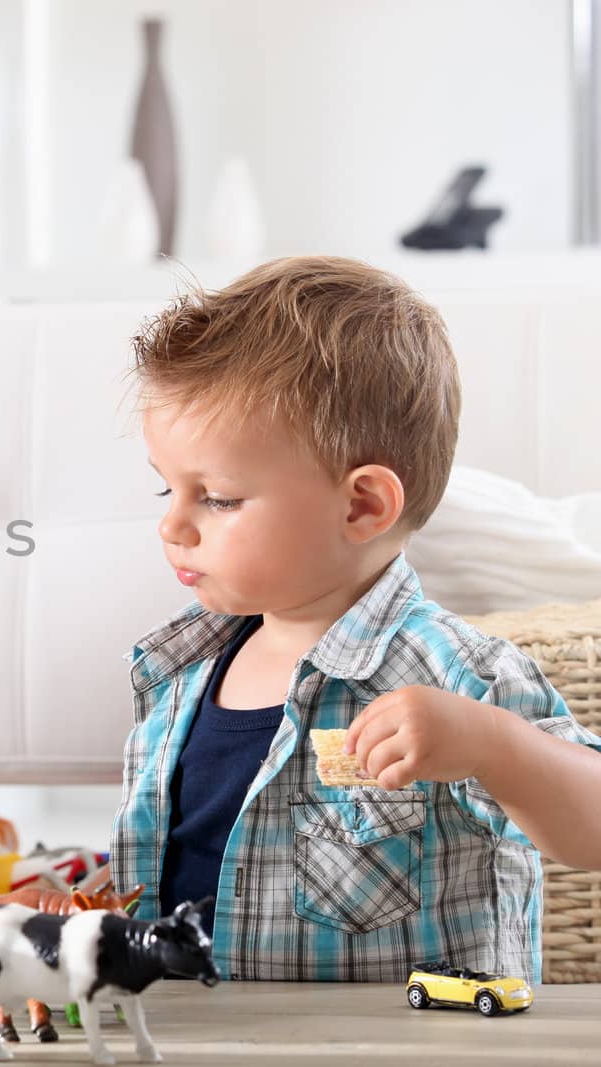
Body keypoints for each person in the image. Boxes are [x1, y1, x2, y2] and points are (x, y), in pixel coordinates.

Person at [109, 255, 601, 982]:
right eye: (167, 493)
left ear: (362, 505)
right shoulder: (180, 674)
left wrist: (494, 744)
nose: (174, 526)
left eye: (216, 497)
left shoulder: (459, 674)